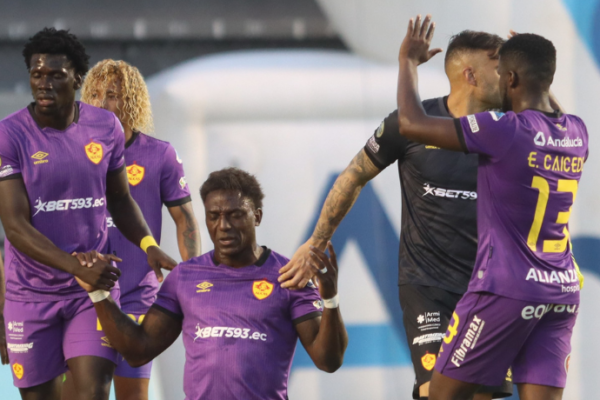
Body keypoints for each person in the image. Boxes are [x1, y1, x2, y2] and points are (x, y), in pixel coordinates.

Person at [279, 30, 512, 399]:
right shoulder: (413, 123)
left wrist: (535, 69)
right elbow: (354, 176)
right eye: (499, 66)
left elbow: (562, 138)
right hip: (428, 286)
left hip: (490, 287)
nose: (509, 74)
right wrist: (316, 242)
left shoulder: (511, 128)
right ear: (470, 74)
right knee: (440, 393)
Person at [396, 15, 587, 400]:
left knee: (440, 396)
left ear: (511, 79)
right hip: (561, 292)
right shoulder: (577, 131)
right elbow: (549, 109)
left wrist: (407, 62)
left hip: (505, 289)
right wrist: (531, 65)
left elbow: (411, 124)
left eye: (502, 72)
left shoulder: (504, 129)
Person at [0, 28, 177, 400]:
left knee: (92, 392)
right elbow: (15, 226)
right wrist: (75, 266)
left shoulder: (105, 126)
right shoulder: (9, 135)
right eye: (37, 74)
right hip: (31, 294)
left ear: (77, 78)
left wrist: (148, 245)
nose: (44, 83)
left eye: (56, 75)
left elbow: (120, 200)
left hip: (90, 290)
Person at [75, 167, 348, 400]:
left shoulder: (288, 276)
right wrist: (99, 294)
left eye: (235, 214)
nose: (224, 225)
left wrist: (330, 299)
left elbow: (329, 361)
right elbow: (138, 351)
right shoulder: (185, 277)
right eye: (214, 216)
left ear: (257, 216)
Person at [66, 60, 200, 400]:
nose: (101, 103)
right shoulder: (71, 152)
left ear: (132, 101)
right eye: (94, 95)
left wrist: (192, 278)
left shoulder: (160, 154)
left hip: (137, 296)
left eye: (112, 95)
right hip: (83, 294)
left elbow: (185, 219)